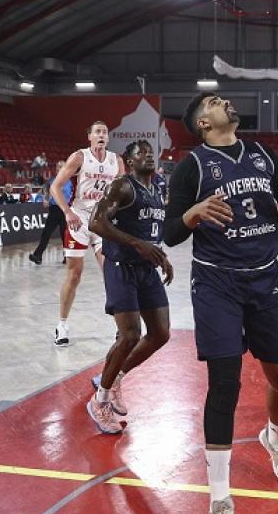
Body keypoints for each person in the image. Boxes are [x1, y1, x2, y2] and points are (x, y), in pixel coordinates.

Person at [163, 92, 278, 514]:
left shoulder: (263, 153)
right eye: (214, 101)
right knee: (225, 383)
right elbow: (170, 232)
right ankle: (220, 503)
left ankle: (275, 438)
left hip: (266, 279)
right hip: (217, 285)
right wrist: (194, 212)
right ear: (203, 123)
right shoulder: (194, 166)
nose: (223, 100)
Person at [85, 140, 173, 434]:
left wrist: (162, 257)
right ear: (129, 161)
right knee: (130, 335)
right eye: (140, 153)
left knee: (160, 333)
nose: (147, 155)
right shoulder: (123, 186)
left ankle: (115, 376)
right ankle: (100, 400)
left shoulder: (158, 188)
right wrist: (137, 244)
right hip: (121, 267)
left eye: (150, 151)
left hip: (147, 269)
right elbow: (96, 223)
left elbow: (151, 231)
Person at [49, 121, 125, 346]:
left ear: (108, 138)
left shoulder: (116, 161)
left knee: (112, 273)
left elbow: (122, 192)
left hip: (103, 222)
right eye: (97, 132)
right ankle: (62, 324)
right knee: (74, 275)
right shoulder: (79, 157)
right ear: (89, 137)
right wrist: (67, 212)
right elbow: (55, 187)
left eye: (105, 132)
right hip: (80, 219)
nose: (102, 135)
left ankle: (121, 326)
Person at [30, 160, 72, 265]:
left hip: (64, 210)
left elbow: (71, 195)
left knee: (65, 235)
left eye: (61, 166)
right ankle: (38, 255)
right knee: (46, 233)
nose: (59, 168)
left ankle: (68, 256)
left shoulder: (69, 182)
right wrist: (45, 199)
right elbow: (46, 191)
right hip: (53, 210)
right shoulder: (51, 181)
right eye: (58, 167)